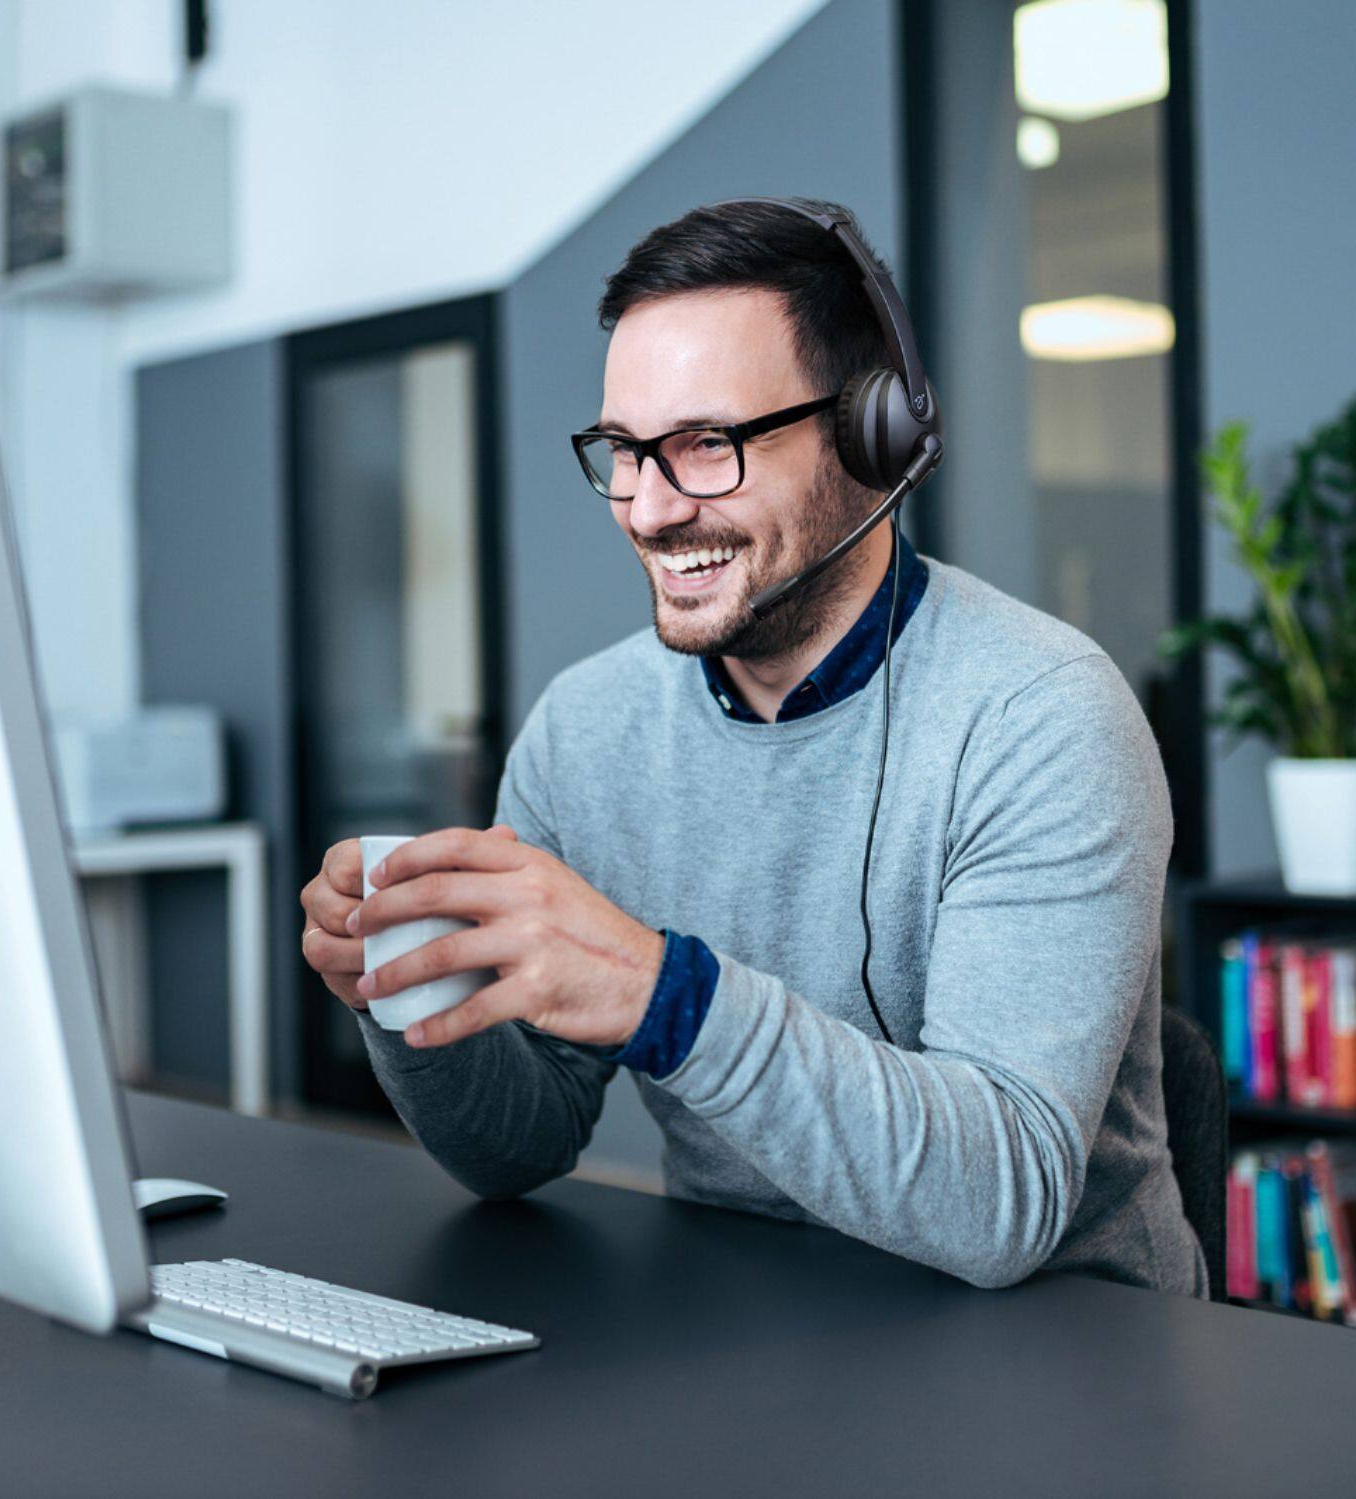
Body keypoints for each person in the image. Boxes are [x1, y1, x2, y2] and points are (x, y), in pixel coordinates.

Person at [299, 197, 1206, 1295]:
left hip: (1067, 1367)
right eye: (625, 451)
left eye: (704, 446)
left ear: (873, 432)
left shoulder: (1043, 717)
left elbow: (1001, 1203)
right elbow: (518, 1144)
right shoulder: (584, 732)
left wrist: (667, 996)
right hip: (749, 1325)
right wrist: (410, 992)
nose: (646, 507)